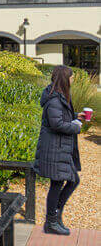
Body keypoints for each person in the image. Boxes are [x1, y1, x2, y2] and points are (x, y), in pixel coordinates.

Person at [33, 65, 87, 236]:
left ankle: (55, 217)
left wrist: (75, 116)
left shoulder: (59, 96)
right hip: (54, 149)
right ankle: (51, 221)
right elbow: (56, 124)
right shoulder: (55, 100)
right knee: (59, 183)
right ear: (65, 79)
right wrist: (76, 127)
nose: (73, 80)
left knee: (72, 180)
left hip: (59, 148)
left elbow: (60, 117)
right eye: (71, 77)